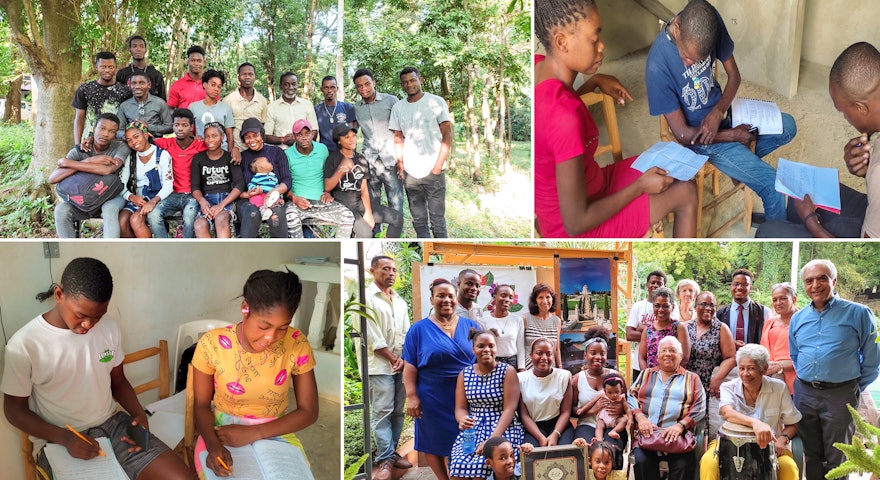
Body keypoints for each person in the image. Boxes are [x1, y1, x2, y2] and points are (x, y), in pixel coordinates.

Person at [1, 257, 193, 480]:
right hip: (59, 439)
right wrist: (64, 438)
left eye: (98, 316)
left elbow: (118, 381)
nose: (89, 326)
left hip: (113, 426)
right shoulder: (25, 345)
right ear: (59, 295)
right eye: (81, 315)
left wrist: (139, 413)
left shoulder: (109, 327)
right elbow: (14, 410)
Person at [534, 0, 696, 238]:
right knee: (686, 192)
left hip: (593, 185)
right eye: (593, 39)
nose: (602, 46)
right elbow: (576, 223)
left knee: (669, 168)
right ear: (561, 42)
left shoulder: (539, 65)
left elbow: (549, 123)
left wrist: (594, 82)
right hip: (578, 224)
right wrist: (640, 187)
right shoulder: (563, 116)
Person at [646, 0, 796, 224]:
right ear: (677, 29)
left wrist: (718, 112)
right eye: (686, 56)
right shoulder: (657, 65)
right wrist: (732, 135)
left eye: (696, 60)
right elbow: (684, 137)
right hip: (702, 139)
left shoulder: (710, 21)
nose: (688, 64)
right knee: (772, 185)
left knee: (789, 125)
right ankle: (774, 222)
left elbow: (734, 76)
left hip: (724, 113)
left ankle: (739, 167)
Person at [192, 269, 318, 478]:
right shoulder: (212, 344)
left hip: (277, 432)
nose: (270, 337)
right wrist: (214, 447)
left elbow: (309, 411)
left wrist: (255, 433)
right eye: (263, 325)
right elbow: (201, 405)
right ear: (245, 308)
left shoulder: (297, 343)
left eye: (282, 328)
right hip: (221, 431)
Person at [756, 42, 877, 239]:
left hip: (867, 231)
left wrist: (811, 221)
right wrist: (866, 171)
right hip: (870, 206)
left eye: (844, 111)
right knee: (800, 194)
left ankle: (794, 228)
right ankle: (793, 226)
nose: (844, 118)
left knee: (768, 232)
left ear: (861, 108)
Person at [789, 259, 880, 480]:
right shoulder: (798, 318)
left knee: (838, 454)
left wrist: (852, 388)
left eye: (822, 278)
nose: (815, 285)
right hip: (805, 394)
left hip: (841, 394)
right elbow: (795, 356)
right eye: (809, 280)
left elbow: (872, 360)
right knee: (811, 455)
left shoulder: (859, 313)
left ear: (834, 280)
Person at [402, 279, 481, 480]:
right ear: (432, 299)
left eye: (450, 296)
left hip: (467, 395)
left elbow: (482, 358)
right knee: (433, 441)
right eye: (441, 296)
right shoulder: (418, 329)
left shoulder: (471, 326)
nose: (446, 300)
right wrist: (411, 396)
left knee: (465, 438)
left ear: (457, 299)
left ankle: (461, 474)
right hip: (432, 397)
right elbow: (410, 365)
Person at [699, 344, 801, 480]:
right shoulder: (728, 387)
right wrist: (756, 424)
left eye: (751, 368)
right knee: (708, 463)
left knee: (788, 467)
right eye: (741, 368)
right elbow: (727, 412)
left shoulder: (778, 388)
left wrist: (783, 439)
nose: (745, 374)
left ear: (764, 369)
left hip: (770, 445)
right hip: (728, 443)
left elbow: (793, 424)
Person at [356, 256, 413, 480]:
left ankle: (392, 453)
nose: (391, 273)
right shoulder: (366, 298)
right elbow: (371, 335)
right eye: (385, 269)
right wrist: (392, 358)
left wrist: (404, 359)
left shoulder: (399, 300)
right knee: (382, 412)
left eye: (394, 270)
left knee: (398, 411)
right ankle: (385, 460)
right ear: (372, 271)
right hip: (379, 365)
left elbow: (408, 333)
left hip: (400, 364)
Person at [448, 328, 523, 480]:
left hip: (502, 427)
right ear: (473, 349)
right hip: (473, 430)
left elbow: (509, 409)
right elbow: (460, 408)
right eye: (481, 346)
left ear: (496, 348)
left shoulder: (507, 371)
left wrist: (491, 440)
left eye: (491, 345)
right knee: (457, 467)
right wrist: (462, 419)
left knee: (483, 466)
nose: (486, 349)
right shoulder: (465, 374)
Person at [389, 66, 453, 238]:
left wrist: (438, 166)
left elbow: (447, 134)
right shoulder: (398, 107)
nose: (409, 84)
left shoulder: (435, 102)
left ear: (420, 80)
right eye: (405, 82)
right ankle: (425, 254)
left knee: (437, 219)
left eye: (412, 80)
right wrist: (401, 164)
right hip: (410, 172)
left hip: (434, 170)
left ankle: (442, 256)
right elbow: (397, 137)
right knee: (418, 219)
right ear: (402, 85)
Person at [630, 336, 706, 480]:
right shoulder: (646, 374)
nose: (668, 354)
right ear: (658, 356)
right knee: (642, 462)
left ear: (681, 356)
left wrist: (680, 426)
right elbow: (631, 396)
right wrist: (640, 418)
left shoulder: (692, 378)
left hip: (678, 437)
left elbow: (700, 407)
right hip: (648, 435)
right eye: (663, 350)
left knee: (683, 465)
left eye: (673, 350)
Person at [51, 112, 128, 238]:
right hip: (82, 201)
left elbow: (107, 170)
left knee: (109, 210)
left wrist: (71, 164)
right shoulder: (80, 150)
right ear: (94, 129)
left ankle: (111, 253)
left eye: (111, 131)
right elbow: (53, 178)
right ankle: (71, 252)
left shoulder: (120, 148)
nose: (105, 134)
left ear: (115, 134)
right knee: (61, 210)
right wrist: (87, 161)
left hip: (111, 197)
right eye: (102, 128)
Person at [324, 124, 404, 238]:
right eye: (347, 137)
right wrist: (341, 170)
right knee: (366, 234)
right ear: (338, 141)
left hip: (359, 204)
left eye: (353, 136)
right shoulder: (332, 159)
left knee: (397, 218)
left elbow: (364, 188)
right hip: (343, 206)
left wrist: (368, 213)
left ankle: (386, 245)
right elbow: (327, 187)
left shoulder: (360, 159)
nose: (352, 139)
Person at [284, 119, 355, 238]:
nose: (304, 137)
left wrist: (328, 192)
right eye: (299, 135)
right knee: (290, 217)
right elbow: (285, 181)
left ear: (313, 134)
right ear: (294, 137)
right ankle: (298, 253)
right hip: (298, 202)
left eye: (307, 133)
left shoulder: (322, 149)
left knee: (347, 216)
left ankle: (337, 250)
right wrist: (294, 198)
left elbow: (328, 174)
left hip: (321, 200)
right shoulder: (287, 154)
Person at [353, 68, 404, 215]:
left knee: (395, 202)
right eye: (359, 86)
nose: (363, 88)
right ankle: (375, 234)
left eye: (367, 84)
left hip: (391, 159)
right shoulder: (357, 107)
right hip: (369, 160)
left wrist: (402, 160)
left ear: (374, 83)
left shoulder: (391, 100)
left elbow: (401, 131)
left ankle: (396, 236)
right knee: (372, 201)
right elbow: (352, 131)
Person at [686, 291, 735, 439]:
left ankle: (701, 458)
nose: (708, 308)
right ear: (695, 306)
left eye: (712, 305)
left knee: (704, 429)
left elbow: (731, 357)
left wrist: (718, 378)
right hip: (686, 384)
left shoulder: (721, 329)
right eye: (704, 304)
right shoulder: (685, 327)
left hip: (708, 385)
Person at [571, 328, 627, 457]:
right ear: (585, 355)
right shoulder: (577, 379)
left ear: (606, 355)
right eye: (593, 353)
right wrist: (592, 411)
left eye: (602, 353)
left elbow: (627, 403)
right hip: (587, 424)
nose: (598, 357)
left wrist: (620, 410)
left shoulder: (615, 377)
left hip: (613, 425)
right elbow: (571, 410)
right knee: (585, 451)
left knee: (609, 452)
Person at [152, 108, 206, 238]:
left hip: (192, 195)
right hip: (171, 194)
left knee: (189, 218)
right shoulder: (166, 143)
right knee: (153, 214)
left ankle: (186, 251)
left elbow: (216, 147)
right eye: (177, 125)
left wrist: (236, 149)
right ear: (173, 126)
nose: (180, 129)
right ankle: (165, 249)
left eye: (185, 125)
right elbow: (143, 141)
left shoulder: (199, 145)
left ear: (192, 127)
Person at [117, 121, 174, 238]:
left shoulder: (162, 155)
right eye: (129, 140)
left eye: (136, 137)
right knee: (122, 222)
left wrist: (153, 201)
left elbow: (168, 185)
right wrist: (132, 197)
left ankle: (149, 253)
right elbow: (120, 184)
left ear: (146, 135)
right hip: (137, 198)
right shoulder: (131, 158)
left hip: (158, 198)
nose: (133, 142)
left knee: (135, 219)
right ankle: (136, 252)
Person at [237, 117, 290, 237]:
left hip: (273, 200)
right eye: (247, 137)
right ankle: (246, 253)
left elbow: (286, 179)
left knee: (276, 215)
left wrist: (273, 192)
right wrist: (248, 194)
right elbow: (237, 186)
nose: (252, 140)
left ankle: (279, 253)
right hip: (249, 201)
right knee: (252, 213)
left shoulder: (277, 152)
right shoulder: (242, 157)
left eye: (255, 135)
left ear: (262, 134)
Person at [190, 122, 243, 238]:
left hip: (227, 199)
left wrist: (221, 205)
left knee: (221, 218)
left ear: (222, 137)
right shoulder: (198, 158)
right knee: (199, 224)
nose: (210, 140)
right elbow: (195, 186)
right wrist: (202, 202)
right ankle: (210, 256)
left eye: (215, 136)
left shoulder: (230, 157)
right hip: (207, 200)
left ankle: (223, 255)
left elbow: (239, 185)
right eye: (207, 136)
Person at [518, 338, 574, 446]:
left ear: (553, 356)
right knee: (531, 454)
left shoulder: (564, 376)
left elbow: (566, 412)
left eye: (549, 354)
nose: (544, 358)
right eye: (539, 353)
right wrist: (540, 437)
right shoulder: (521, 379)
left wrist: (555, 434)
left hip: (559, 425)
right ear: (530, 356)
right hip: (533, 426)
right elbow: (524, 415)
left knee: (565, 453)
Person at [72, 51, 132, 148]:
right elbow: (79, 118)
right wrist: (77, 144)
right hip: (88, 142)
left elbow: (129, 118)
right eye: (103, 67)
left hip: (115, 142)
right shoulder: (85, 89)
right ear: (96, 67)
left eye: (110, 67)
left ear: (115, 67)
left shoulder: (124, 91)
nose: (107, 70)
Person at [189, 69, 238, 162]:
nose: (216, 89)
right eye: (213, 85)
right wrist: (194, 138)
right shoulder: (193, 107)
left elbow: (229, 134)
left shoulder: (225, 108)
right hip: (200, 151)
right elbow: (188, 129)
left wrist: (230, 153)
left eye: (219, 86)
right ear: (204, 85)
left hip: (221, 152)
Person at [625, 270, 666, 380]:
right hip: (639, 365)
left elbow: (670, 336)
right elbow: (629, 335)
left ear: (664, 286)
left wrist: (644, 329)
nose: (655, 285)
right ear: (647, 285)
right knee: (639, 396)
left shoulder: (670, 307)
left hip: (664, 366)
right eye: (653, 282)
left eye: (659, 283)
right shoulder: (638, 306)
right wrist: (657, 333)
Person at [716, 268, 770, 349]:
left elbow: (768, 340)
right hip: (727, 359)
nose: (740, 287)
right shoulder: (720, 314)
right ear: (731, 286)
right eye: (736, 284)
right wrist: (731, 343)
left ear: (751, 287)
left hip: (754, 359)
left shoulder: (764, 312)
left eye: (745, 284)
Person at [638, 287, 690, 370]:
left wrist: (668, 377)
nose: (661, 310)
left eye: (665, 306)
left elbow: (684, 358)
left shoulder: (679, 327)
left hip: (674, 378)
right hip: (652, 379)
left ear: (672, 307)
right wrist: (647, 376)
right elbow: (641, 358)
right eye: (657, 306)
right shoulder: (648, 330)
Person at [761, 282, 798, 394]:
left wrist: (779, 366)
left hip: (793, 384)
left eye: (783, 298)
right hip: (768, 382)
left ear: (794, 299)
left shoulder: (801, 322)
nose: (778, 303)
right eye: (774, 300)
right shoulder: (769, 322)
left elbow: (806, 357)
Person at [265, 72, 318, 150]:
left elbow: (314, 132)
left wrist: (297, 139)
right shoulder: (272, 107)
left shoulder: (307, 105)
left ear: (297, 86)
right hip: (282, 152)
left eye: (294, 84)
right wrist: (282, 139)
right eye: (286, 84)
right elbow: (266, 136)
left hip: (304, 151)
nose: (290, 87)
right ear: (280, 87)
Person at [223, 63, 268, 154]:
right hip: (235, 151)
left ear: (255, 77)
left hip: (256, 151)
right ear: (238, 77)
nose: (247, 77)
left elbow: (262, 126)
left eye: (250, 74)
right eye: (244, 74)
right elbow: (226, 129)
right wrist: (231, 150)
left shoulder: (262, 101)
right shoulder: (228, 100)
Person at [479, 285, 524, 371]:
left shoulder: (517, 320)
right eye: (503, 295)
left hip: (512, 363)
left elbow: (520, 347)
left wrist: (521, 368)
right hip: (492, 362)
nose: (507, 299)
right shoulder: (483, 322)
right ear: (494, 297)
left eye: (511, 297)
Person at [116, 72, 172, 138]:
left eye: (142, 83)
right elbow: (119, 130)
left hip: (155, 143)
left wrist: (149, 127)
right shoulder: (124, 106)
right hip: (132, 144)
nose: (137, 87)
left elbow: (170, 127)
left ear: (149, 85)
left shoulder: (160, 103)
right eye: (134, 83)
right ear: (130, 85)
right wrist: (131, 137)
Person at [522, 283, 562, 369]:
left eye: (548, 297)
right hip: (529, 371)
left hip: (550, 371)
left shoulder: (557, 321)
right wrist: (521, 370)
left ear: (552, 299)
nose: (545, 301)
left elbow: (556, 349)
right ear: (535, 301)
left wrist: (560, 368)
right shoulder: (525, 319)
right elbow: (520, 347)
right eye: (540, 297)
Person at [116, 35, 166, 100]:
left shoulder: (156, 75)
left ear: (145, 50)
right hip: (128, 109)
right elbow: (117, 98)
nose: (138, 49)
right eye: (134, 46)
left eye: (141, 46)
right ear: (130, 50)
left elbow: (162, 100)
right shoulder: (122, 74)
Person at [314, 76, 357, 152]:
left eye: (332, 87)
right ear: (322, 89)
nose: (329, 90)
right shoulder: (316, 110)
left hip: (344, 152)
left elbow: (352, 135)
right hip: (324, 152)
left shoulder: (347, 107)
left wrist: (353, 154)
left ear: (337, 88)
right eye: (326, 88)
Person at [593, 373, 630, 442]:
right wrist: (582, 410)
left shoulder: (621, 398)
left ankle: (613, 431)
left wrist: (630, 419)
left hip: (616, 419)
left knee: (624, 420)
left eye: (617, 392)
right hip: (603, 418)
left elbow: (627, 409)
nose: (614, 395)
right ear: (604, 391)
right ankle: (599, 438)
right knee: (599, 426)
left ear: (621, 390)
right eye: (610, 393)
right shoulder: (603, 396)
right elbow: (592, 402)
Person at [243, 156, 281, 221]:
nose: (271, 163)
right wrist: (255, 190)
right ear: (262, 168)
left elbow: (278, 187)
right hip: (260, 194)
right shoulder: (257, 177)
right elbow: (251, 184)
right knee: (256, 198)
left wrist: (280, 198)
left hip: (270, 195)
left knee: (275, 195)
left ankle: (273, 203)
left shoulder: (273, 177)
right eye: (268, 162)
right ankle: (263, 210)